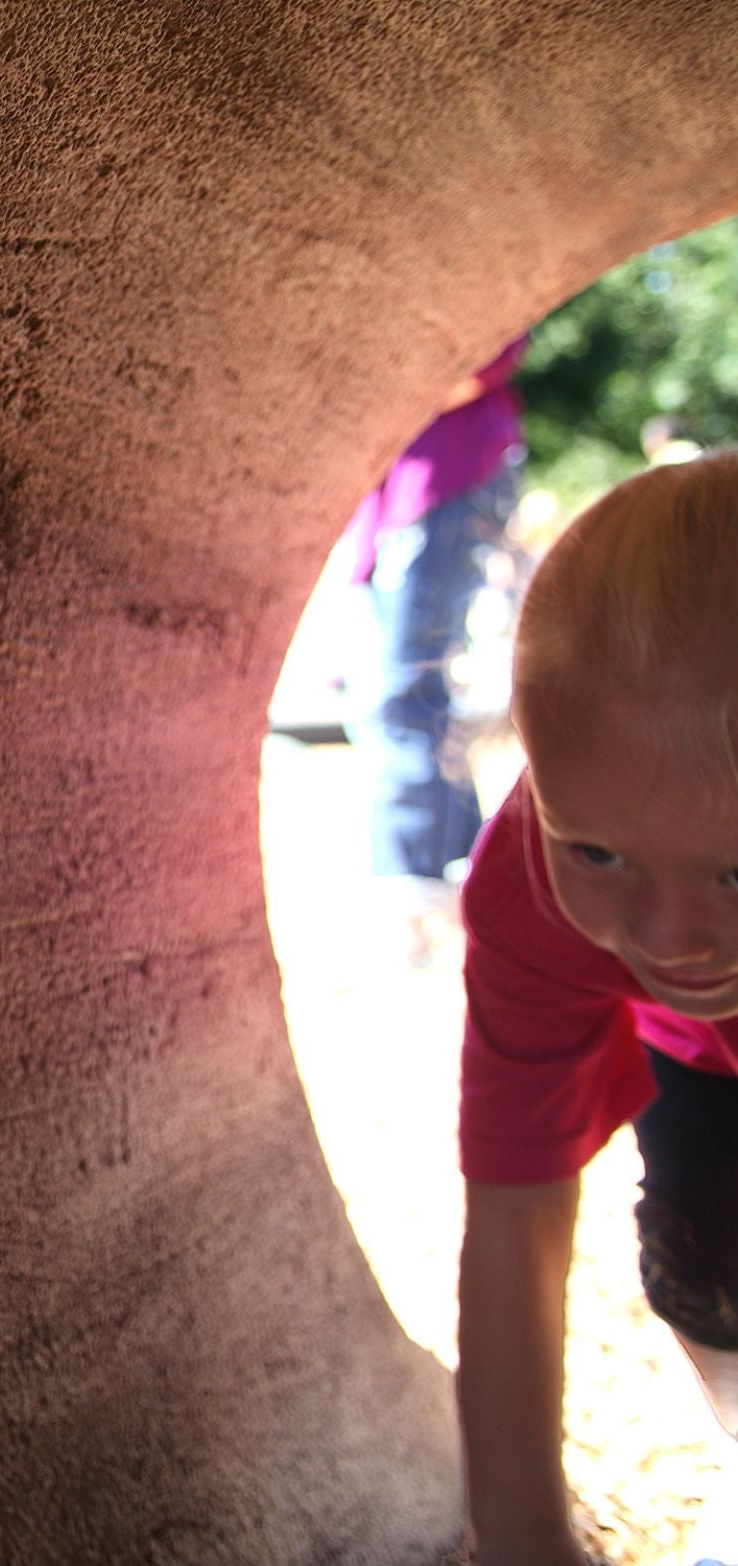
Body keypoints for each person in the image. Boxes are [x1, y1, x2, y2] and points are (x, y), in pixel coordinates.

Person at [454, 451, 738, 1563]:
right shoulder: (531, 888)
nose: (669, 939)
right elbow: (515, 1202)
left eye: (735, 870)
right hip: (701, 1068)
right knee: (705, 1259)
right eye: (599, 850)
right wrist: (520, 1534)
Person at [347, 339, 528, 958]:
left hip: (441, 479)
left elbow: (477, 363)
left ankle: (416, 904)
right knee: (411, 700)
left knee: (404, 698)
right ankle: (457, 880)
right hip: (406, 495)